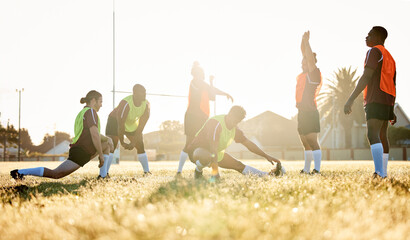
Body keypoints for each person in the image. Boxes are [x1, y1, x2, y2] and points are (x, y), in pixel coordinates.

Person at [10, 90, 113, 180]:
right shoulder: (90, 111)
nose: (101, 105)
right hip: (81, 152)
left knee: (107, 145)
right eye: (100, 102)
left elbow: (90, 134)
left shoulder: (83, 112)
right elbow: (94, 134)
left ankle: (103, 176)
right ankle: (19, 172)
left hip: (84, 150)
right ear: (93, 101)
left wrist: (106, 139)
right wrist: (100, 155)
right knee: (56, 174)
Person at [344, 26, 396, 178]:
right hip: (387, 100)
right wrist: (392, 108)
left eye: (370, 35)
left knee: (372, 135)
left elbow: (366, 76)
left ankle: (379, 172)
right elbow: (393, 83)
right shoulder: (390, 57)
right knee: (382, 135)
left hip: (375, 98)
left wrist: (350, 99)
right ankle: (383, 172)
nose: (366, 37)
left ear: (378, 37)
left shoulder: (374, 52)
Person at [186, 106, 284, 180]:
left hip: (214, 153)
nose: (234, 123)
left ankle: (266, 175)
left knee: (238, 165)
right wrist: (215, 172)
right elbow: (213, 148)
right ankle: (198, 171)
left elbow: (248, 144)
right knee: (207, 156)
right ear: (229, 114)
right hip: (196, 151)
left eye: (237, 121)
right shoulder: (216, 123)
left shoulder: (234, 129)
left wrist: (266, 156)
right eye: (234, 119)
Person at [176, 61, 233, 175]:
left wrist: (222, 91)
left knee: (199, 143)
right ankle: (182, 170)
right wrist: (219, 88)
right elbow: (212, 92)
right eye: (198, 73)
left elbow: (212, 95)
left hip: (199, 117)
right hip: (194, 117)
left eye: (201, 73)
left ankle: (196, 167)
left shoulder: (200, 83)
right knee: (190, 143)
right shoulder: (198, 83)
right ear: (196, 74)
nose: (200, 75)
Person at [99, 84, 150, 178]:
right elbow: (120, 125)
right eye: (142, 92)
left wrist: (133, 142)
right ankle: (104, 174)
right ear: (134, 93)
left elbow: (141, 127)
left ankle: (147, 172)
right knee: (111, 145)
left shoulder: (146, 105)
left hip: (131, 123)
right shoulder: (125, 104)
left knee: (140, 145)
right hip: (115, 121)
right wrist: (122, 142)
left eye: (145, 92)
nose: (144, 94)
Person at [296, 31, 323, 174]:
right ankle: (306, 169)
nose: (302, 64)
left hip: (310, 112)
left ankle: (316, 169)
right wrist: (302, 40)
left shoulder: (314, 73)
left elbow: (309, 58)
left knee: (312, 141)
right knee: (304, 141)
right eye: (302, 62)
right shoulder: (303, 74)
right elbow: (304, 53)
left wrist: (307, 42)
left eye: (305, 62)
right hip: (301, 112)